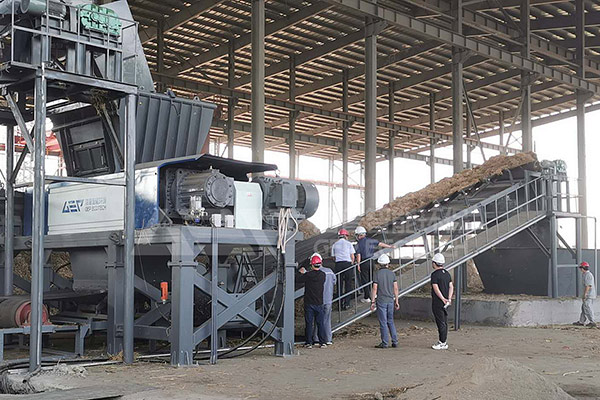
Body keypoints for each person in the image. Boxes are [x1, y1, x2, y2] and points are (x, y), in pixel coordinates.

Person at [355, 226, 395, 303]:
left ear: (359, 235)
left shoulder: (358, 244)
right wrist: (390, 246)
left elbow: (358, 255)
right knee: (372, 278)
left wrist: (358, 264)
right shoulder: (370, 240)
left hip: (364, 262)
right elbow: (380, 244)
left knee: (365, 280)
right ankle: (375, 294)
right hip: (371, 261)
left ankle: (367, 297)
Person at [370, 254, 399, 348]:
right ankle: (395, 341)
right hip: (390, 300)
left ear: (379, 264)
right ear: (388, 264)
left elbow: (374, 289)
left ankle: (385, 342)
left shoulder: (377, 274)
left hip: (381, 300)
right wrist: (397, 301)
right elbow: (396, 288)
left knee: (383, 322)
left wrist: (373, 302)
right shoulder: (392, 274)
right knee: (390, 321)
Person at [298, 254, 327, 348]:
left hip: (309, 303)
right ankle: (323, 342)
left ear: (312, 265)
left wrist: (302, 272)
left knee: (309, 324)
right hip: (319, 302)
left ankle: (309, 342)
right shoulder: (323, 275)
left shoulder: (308, 275)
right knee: (320, 323)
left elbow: (298, 280)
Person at [311, 253, 336, 345]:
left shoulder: (316, 274)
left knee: (318, 319)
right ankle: (328, 339)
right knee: (327, 319)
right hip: (329, 298)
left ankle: (317, 338)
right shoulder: (329, 271)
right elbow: (334, 281)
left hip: (318, 299)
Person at [430, 253, 453, 350]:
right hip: (446, 301)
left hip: (438, 301)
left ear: (434, 263)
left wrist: (442, 298)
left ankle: (442, 342)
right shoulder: (447, 273)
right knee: (444, 321)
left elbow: (436, 288)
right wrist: (449, 298)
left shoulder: (434, 275)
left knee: (440, 322)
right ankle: (443, 340)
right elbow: (451, 286)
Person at [331, 228, 355, 310]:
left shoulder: (334, 245)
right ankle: (347, 304)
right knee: (348, 284)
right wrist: (351, 263)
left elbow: (333, 257)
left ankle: (340, 304)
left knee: (339, 285)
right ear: (345, 236)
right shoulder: (349, 244)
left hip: (338, 265)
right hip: (347, 264)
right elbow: (352, 256)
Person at [573, 261, 597, 328]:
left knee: (588, 308)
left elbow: (588, 286)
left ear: (583, 268)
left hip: (588, 295)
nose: (580, 269)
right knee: (584, 308)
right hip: (588, 295)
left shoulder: (588, 275)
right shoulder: (585, 274)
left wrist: (585, 294)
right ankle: (581, 321)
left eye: (581, 268)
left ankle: (592, 322)